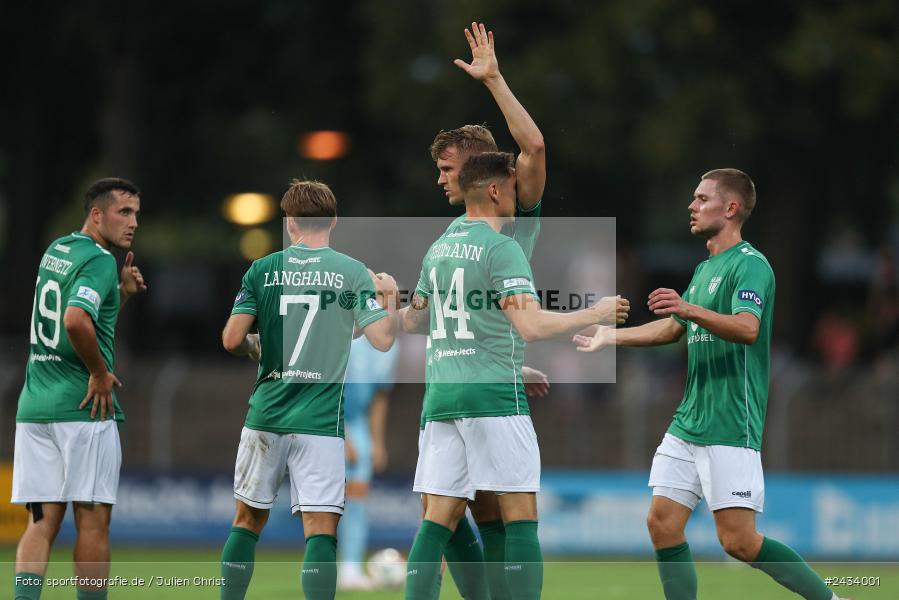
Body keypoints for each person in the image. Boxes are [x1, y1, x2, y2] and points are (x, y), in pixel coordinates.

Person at [574, 169, 846, 600]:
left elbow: (746, 328)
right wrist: (613, 337)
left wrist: (688, 308)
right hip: (689, 421)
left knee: (738, 542)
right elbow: (673, 329)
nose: (692, 206)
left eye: (702, 198)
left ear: (731, 208)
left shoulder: (751, 265)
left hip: (730, 420)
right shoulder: (704, 270)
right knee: (661, 523)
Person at [403, 152, 629, 600]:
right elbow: (531, 326)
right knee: (520, 514)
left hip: (443, 397)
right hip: (492, 397)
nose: (518, 195)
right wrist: (594, 313)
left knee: (436, 522)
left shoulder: (441, 246)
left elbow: (414, 320)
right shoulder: (501, 247)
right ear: (493, 190)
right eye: (512, 187)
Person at [414, 21, 550, 600]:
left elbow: (534, 148)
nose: (440, 179)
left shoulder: (511, 212)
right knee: (475, 513)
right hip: (472, 378)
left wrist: (494, 80)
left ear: (483, 172)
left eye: (447, 169)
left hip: (468, 388)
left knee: (463, 512)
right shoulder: (453, 231)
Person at [218, 179, 399, 600]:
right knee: (320, 529)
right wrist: (387, 297)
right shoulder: (351, 272)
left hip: (267, 415)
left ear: (289, 222)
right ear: (333, 220)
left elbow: (230, 339)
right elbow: (383, 340)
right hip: (319, 422)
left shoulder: (262, 269)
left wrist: (253, 346)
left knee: (246, 521)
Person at [12, 177, 147, 600]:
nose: (133, 223)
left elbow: (83, 321)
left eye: (136, 214)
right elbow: (74, 321)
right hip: (84, 410)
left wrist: (120, 296)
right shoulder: (100, 261)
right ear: (96, 214)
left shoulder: (58, 249)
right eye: (124, 212)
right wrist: (99, 373)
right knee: (92, 524)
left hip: (35, 408)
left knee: (40, 523)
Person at [336, 335, 400, 590]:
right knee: (325, 503)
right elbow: (328, 389)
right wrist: (343, 435)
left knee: (358, 496)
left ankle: (350, 568)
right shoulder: (346, 341)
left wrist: (376, 441)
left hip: (359, 424)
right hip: (328, 419)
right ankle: (329, 567)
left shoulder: (390, 347)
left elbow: (381, 396)